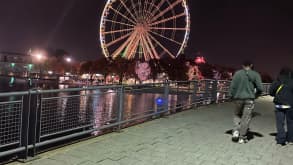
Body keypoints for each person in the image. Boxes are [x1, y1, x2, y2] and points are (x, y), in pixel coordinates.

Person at [229, 61, 263, 143]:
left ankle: (236, 131)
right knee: (246, 118)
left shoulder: (237, 73)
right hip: (249, 99)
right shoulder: (255, 74)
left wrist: (231, 96)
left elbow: (232, 86)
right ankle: (242, 137)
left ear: (242, 65)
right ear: (251, 65)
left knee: (237, 115)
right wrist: (256, 95)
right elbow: (260, 88)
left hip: (238, 98)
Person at [269, 67, 293, 146]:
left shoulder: (277, 80)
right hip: (290, 105)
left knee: (280, 123)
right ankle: (290, 140)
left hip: (279, 104)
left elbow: (271, 91)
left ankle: (281, 140)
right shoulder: (291, 81)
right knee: (291, 122)